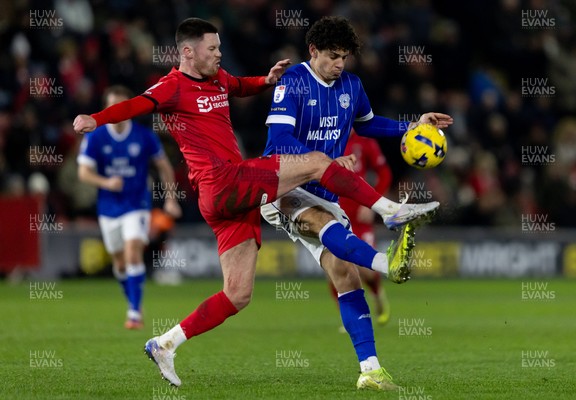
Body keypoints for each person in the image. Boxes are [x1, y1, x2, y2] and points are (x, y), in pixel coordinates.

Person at [73, 18, 435, 388]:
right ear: (187, 51)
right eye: (212, 48)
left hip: (231, 201)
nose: (219, 54)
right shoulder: (172, 87)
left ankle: (166, 343)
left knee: (239, 293)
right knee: (317, 164)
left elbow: (239, 86)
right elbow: (136, 105)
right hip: (223, 180)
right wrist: (96, 119)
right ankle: (393, 213)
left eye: (219, 47)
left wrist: (264, 81)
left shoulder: (218, 79)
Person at [260, 16, 453, 390]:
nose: (339, 65)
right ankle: (388, 255)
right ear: (313, 51)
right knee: (324, 226)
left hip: (326, 189)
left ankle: (371, 371)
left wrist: (412, 127)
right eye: (333, 56)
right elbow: (280, 139)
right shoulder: (293, 82)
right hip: (284, 188)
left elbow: (366, 124)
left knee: (347, 278)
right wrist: (323, 162)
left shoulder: (351, 85)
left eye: (345, 58)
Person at [77, 85, 182, 329]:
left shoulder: (144, 136)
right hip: (108, 207)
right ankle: (133, 302)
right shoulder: (96, 136)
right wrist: (106, 182)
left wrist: (171, 198)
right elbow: (83, 172)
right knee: (119, 262)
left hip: (137, 204)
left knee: (133, 250)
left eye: (122, 107)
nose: (117, 111)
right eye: (112, 106)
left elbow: (164, 166)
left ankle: (134, 313)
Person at [332, 130, 393, 327]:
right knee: (336, 266)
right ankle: (350, 316)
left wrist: (372, 204)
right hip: (334, 213)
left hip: (360, 215)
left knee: (365, 269)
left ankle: (377, 292)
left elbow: (385, 173)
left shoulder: (365, 141)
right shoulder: (327, 137)